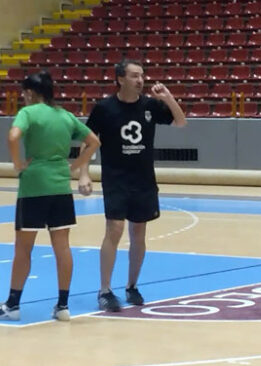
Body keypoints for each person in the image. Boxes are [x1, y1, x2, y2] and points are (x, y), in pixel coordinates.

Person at [0, 71, 100, 321]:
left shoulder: (28, 112)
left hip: (34, 186)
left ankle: (12, 305)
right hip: (60, 187)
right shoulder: (66, 116)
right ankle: (63, 306)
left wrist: (18, 163)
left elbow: (13, 136)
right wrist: (76, 166)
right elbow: (93, 142)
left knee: (23, 249)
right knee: (62, 247)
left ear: (30, 93)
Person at [79, 59, 187, 312]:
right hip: (116, 179)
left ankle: (132, 286)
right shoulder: (104, 108)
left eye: (142, 75)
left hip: (144, 180)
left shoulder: (150, 106)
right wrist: (83, 173)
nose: (140, 80)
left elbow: (181, 122)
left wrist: (168, 98)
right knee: (114, 230)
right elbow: (87, 142)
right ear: (120, 79)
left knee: (138, 234)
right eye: (134, 75)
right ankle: (104, 290)